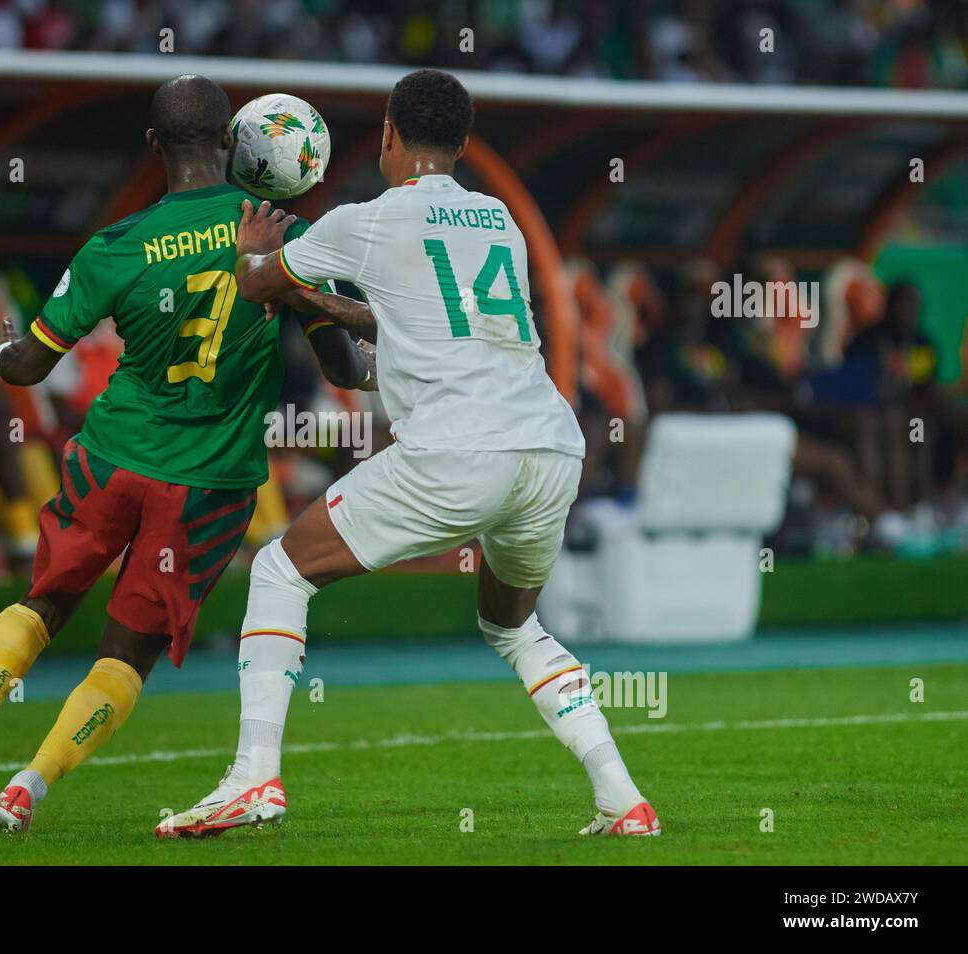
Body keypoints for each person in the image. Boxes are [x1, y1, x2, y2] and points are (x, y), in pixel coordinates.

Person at [159, 69, 659, 839]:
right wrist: (320, 300)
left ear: (389, 134)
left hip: (457, 451)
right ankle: (623, 799)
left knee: (279, 569)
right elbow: (416, 323)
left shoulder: (368, 219)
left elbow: (258, 286)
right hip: (551, 448)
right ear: (461, 145)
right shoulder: (498, 219)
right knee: (515, 627)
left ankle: (253, 779)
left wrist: (256, 247)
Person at [0, 74, 372, 833]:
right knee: (128, 653)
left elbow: (33, 364)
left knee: (42, 604)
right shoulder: (287, 242)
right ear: (231, 141)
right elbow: (345, 370)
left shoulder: (111, 246)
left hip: (113, 456)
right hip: (208, 484)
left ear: (152, 146)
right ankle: (24, 789)